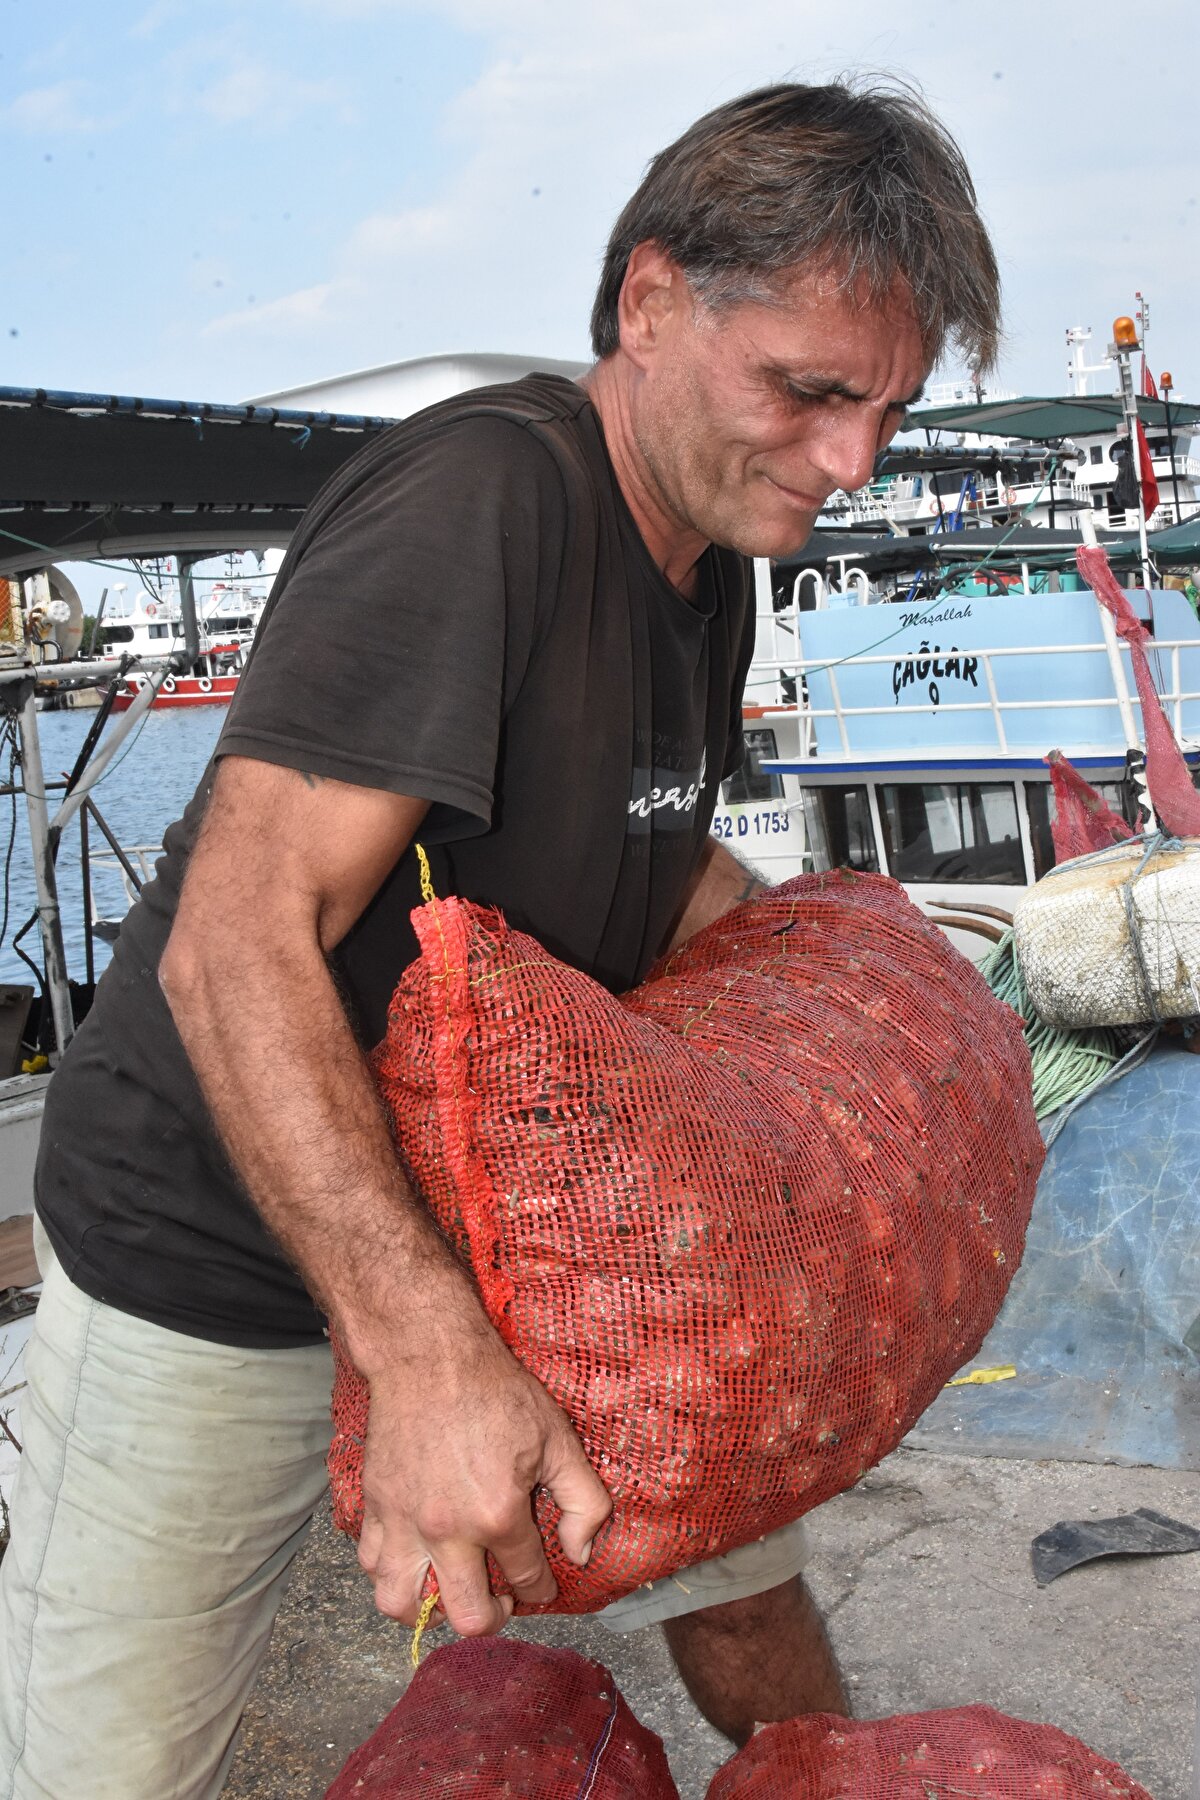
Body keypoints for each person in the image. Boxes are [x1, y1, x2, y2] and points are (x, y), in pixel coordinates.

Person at [0, 79, 1000, 1798]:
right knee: (102, 1762)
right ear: (652, 302)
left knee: (746, 1577)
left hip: (517, 1226)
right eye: (812, 394)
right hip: (219, 1239)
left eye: (889, 413)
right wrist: (426, 1352)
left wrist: (878, 1019)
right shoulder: (486, 504)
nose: (852, 463)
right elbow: (232, 942)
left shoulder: (711, 562)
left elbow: (657, 873)